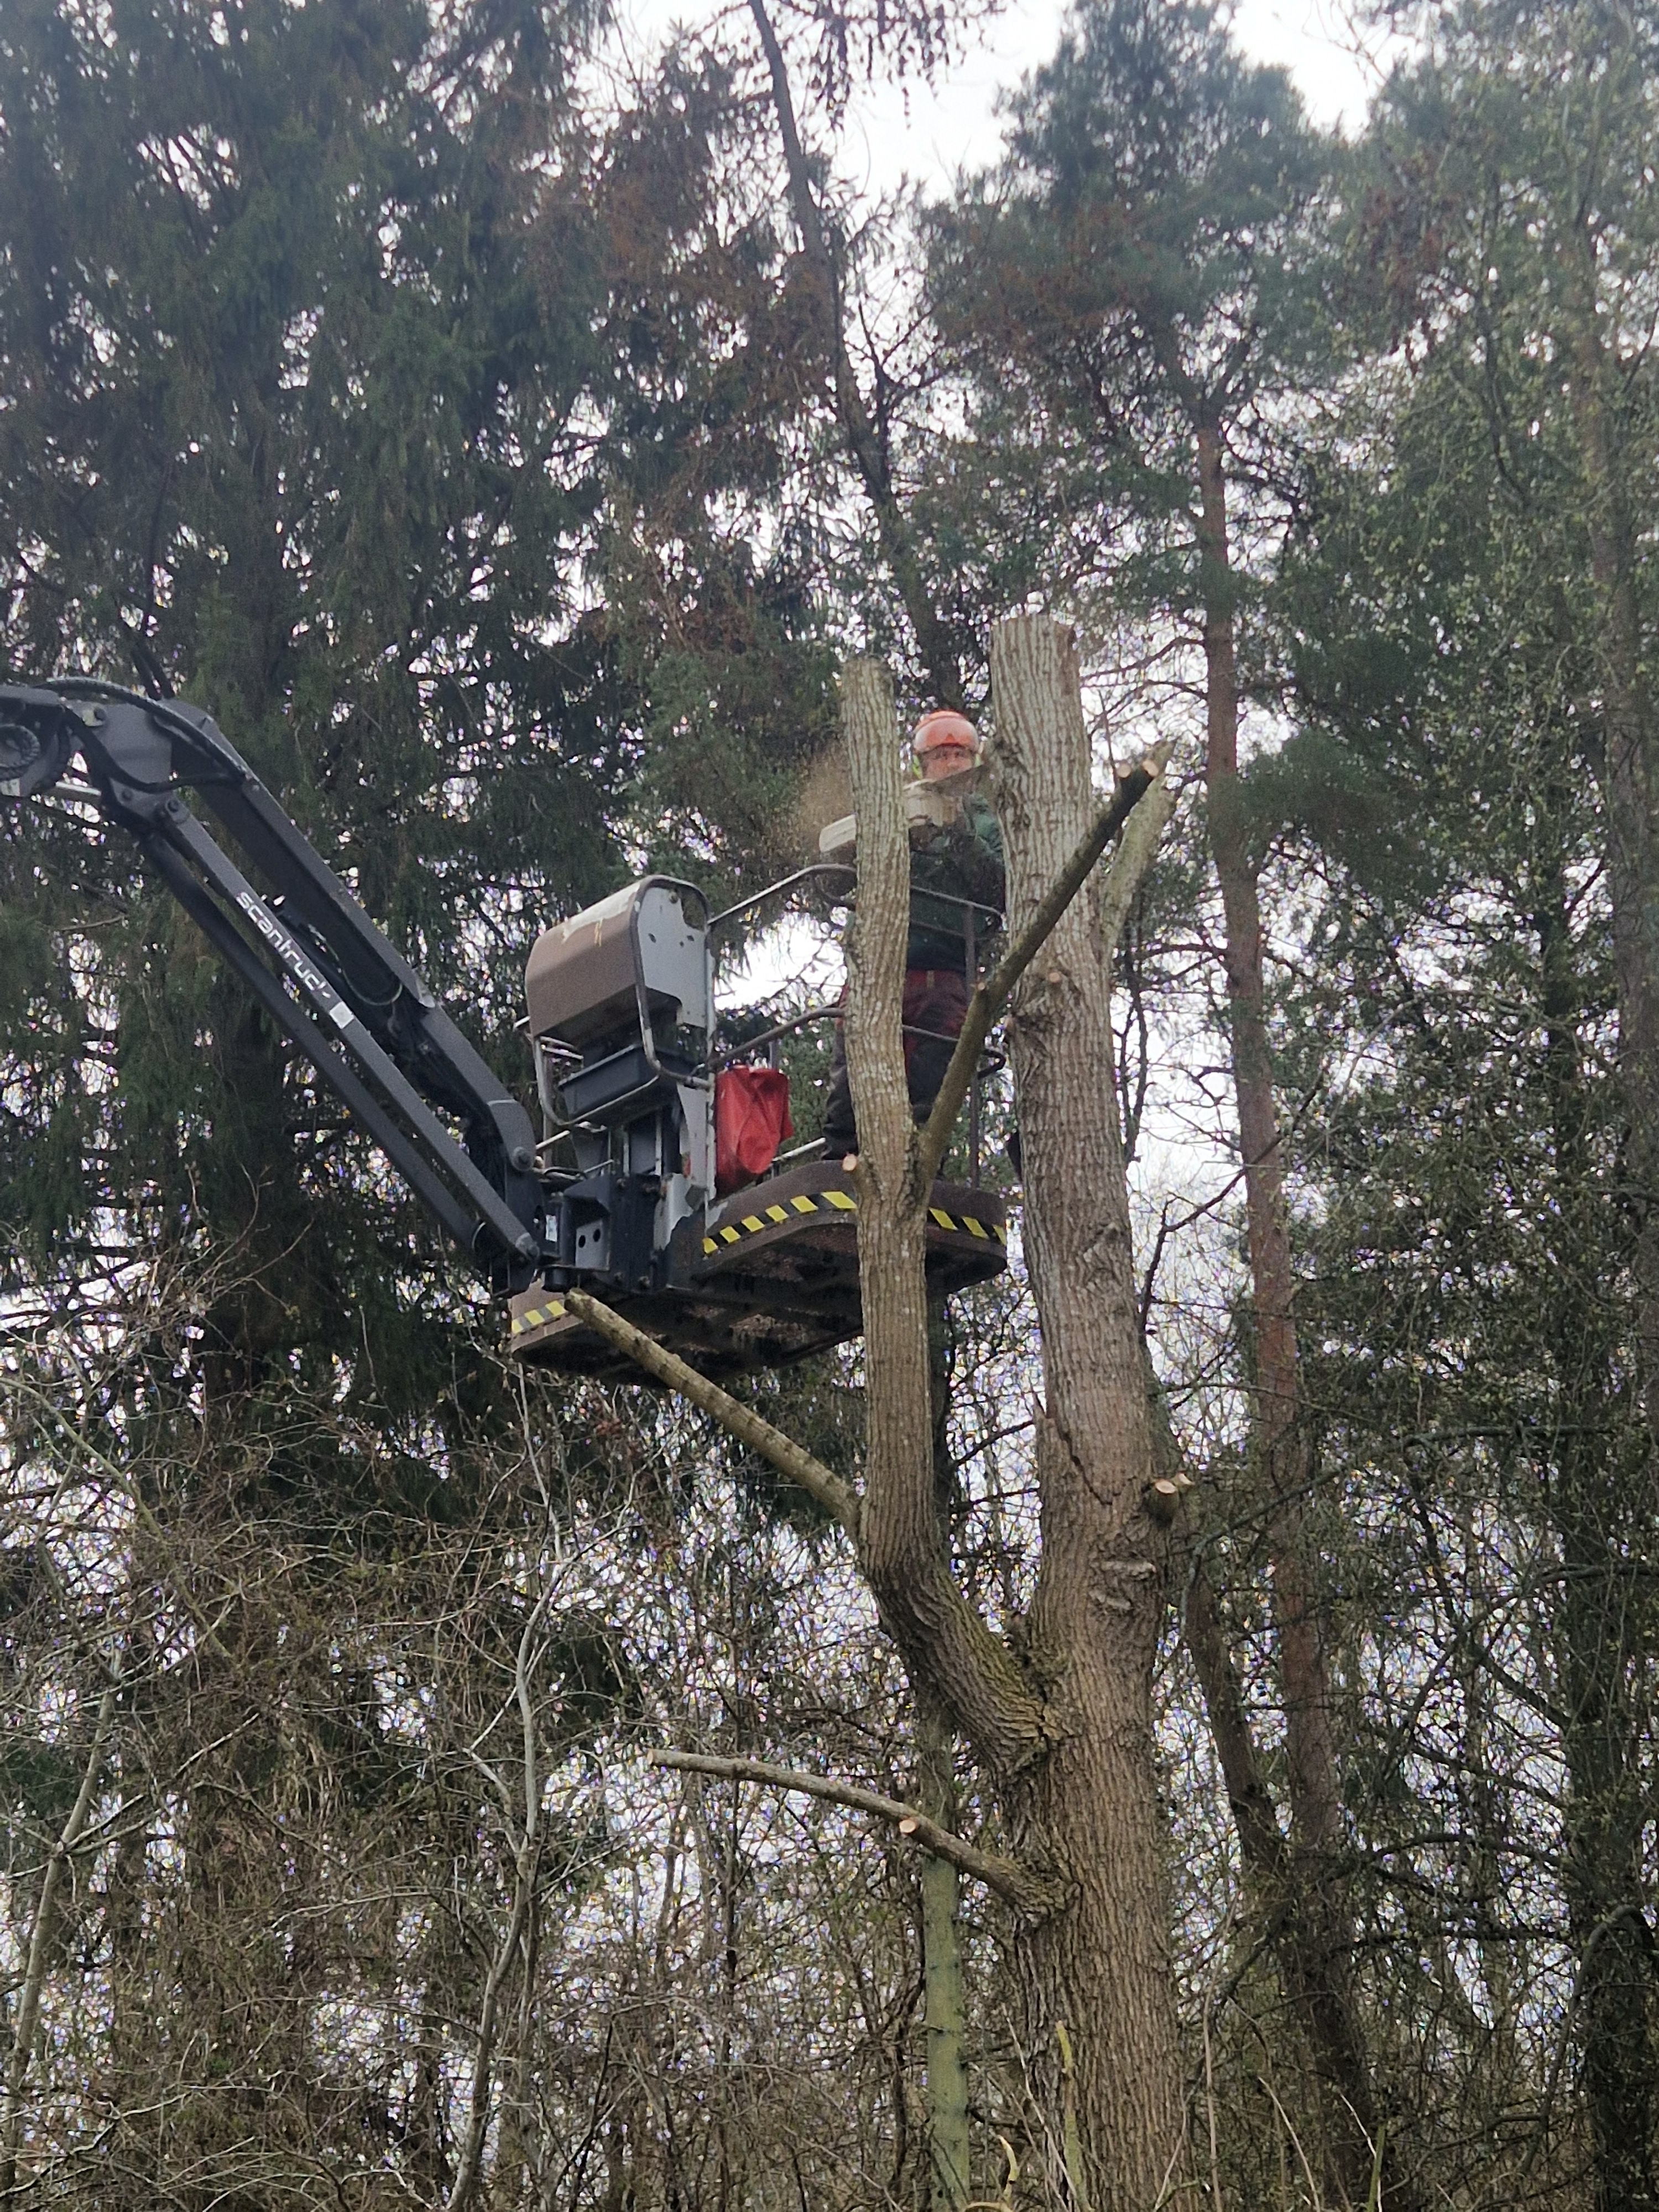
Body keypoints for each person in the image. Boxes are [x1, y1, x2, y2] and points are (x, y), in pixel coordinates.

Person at [821, 708, 1004, 1161]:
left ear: (974, 760)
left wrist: (957, 831)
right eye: (941, 755)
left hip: (942, 972)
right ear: (924, 761)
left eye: (959, 754)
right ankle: (839, 1162)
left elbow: (998, 887)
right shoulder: (895, 809)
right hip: (876, 973)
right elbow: (832, 881)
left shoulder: (985, 822)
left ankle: (922, 1176)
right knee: (850, 1092)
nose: (951, 763)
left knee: (928, 1090)